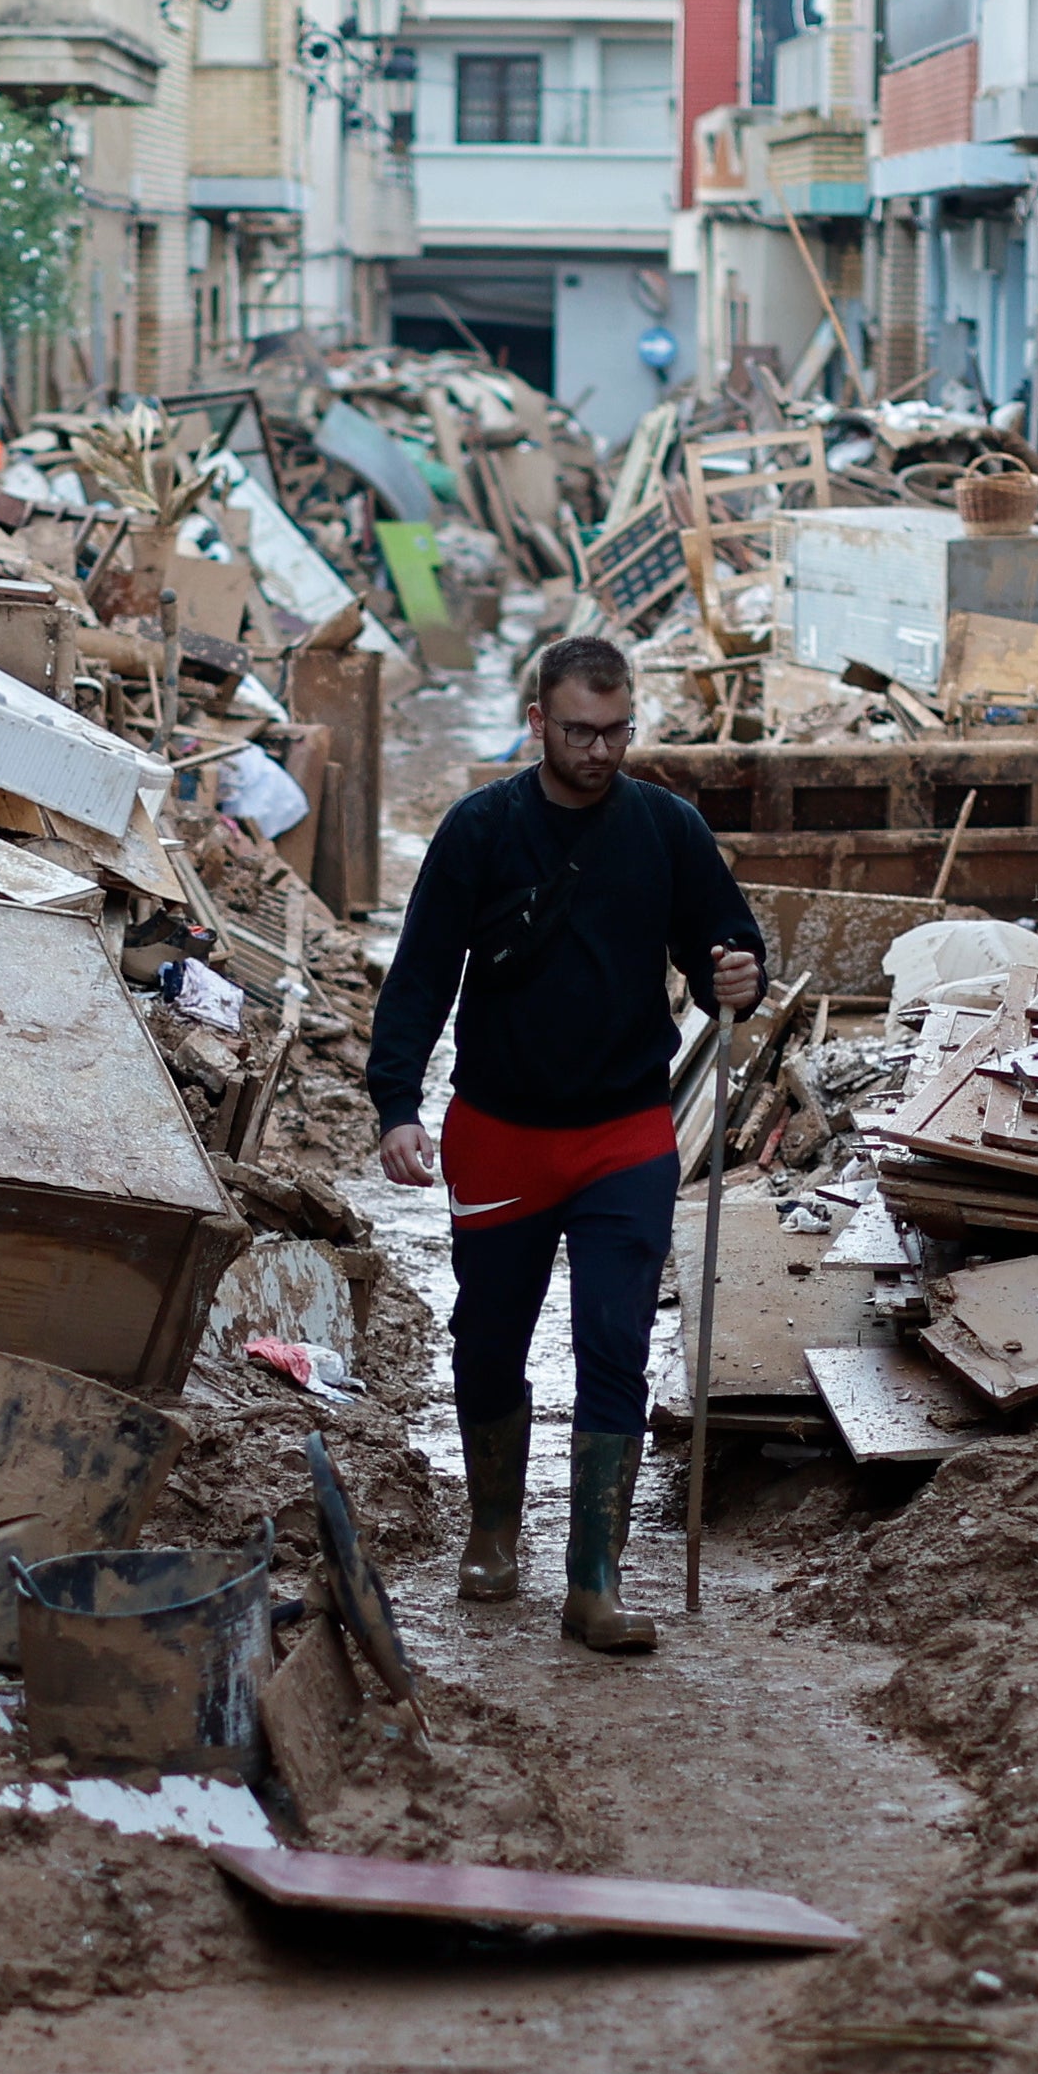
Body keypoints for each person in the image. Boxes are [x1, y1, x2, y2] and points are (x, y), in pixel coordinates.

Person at [367, 636, 765, 1655]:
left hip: (626, 1132)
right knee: (489, 1341)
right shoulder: (480, 831)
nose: (601, 750)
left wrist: (738, 975)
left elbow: (725, 936)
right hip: (499, 1131)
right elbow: (419, 976)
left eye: (618, 730)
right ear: (538, 722)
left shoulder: (666, 828)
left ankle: (595, 1581)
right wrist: (397, 1104)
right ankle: (493, 1533)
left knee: (615, 1344)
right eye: (582, 731)